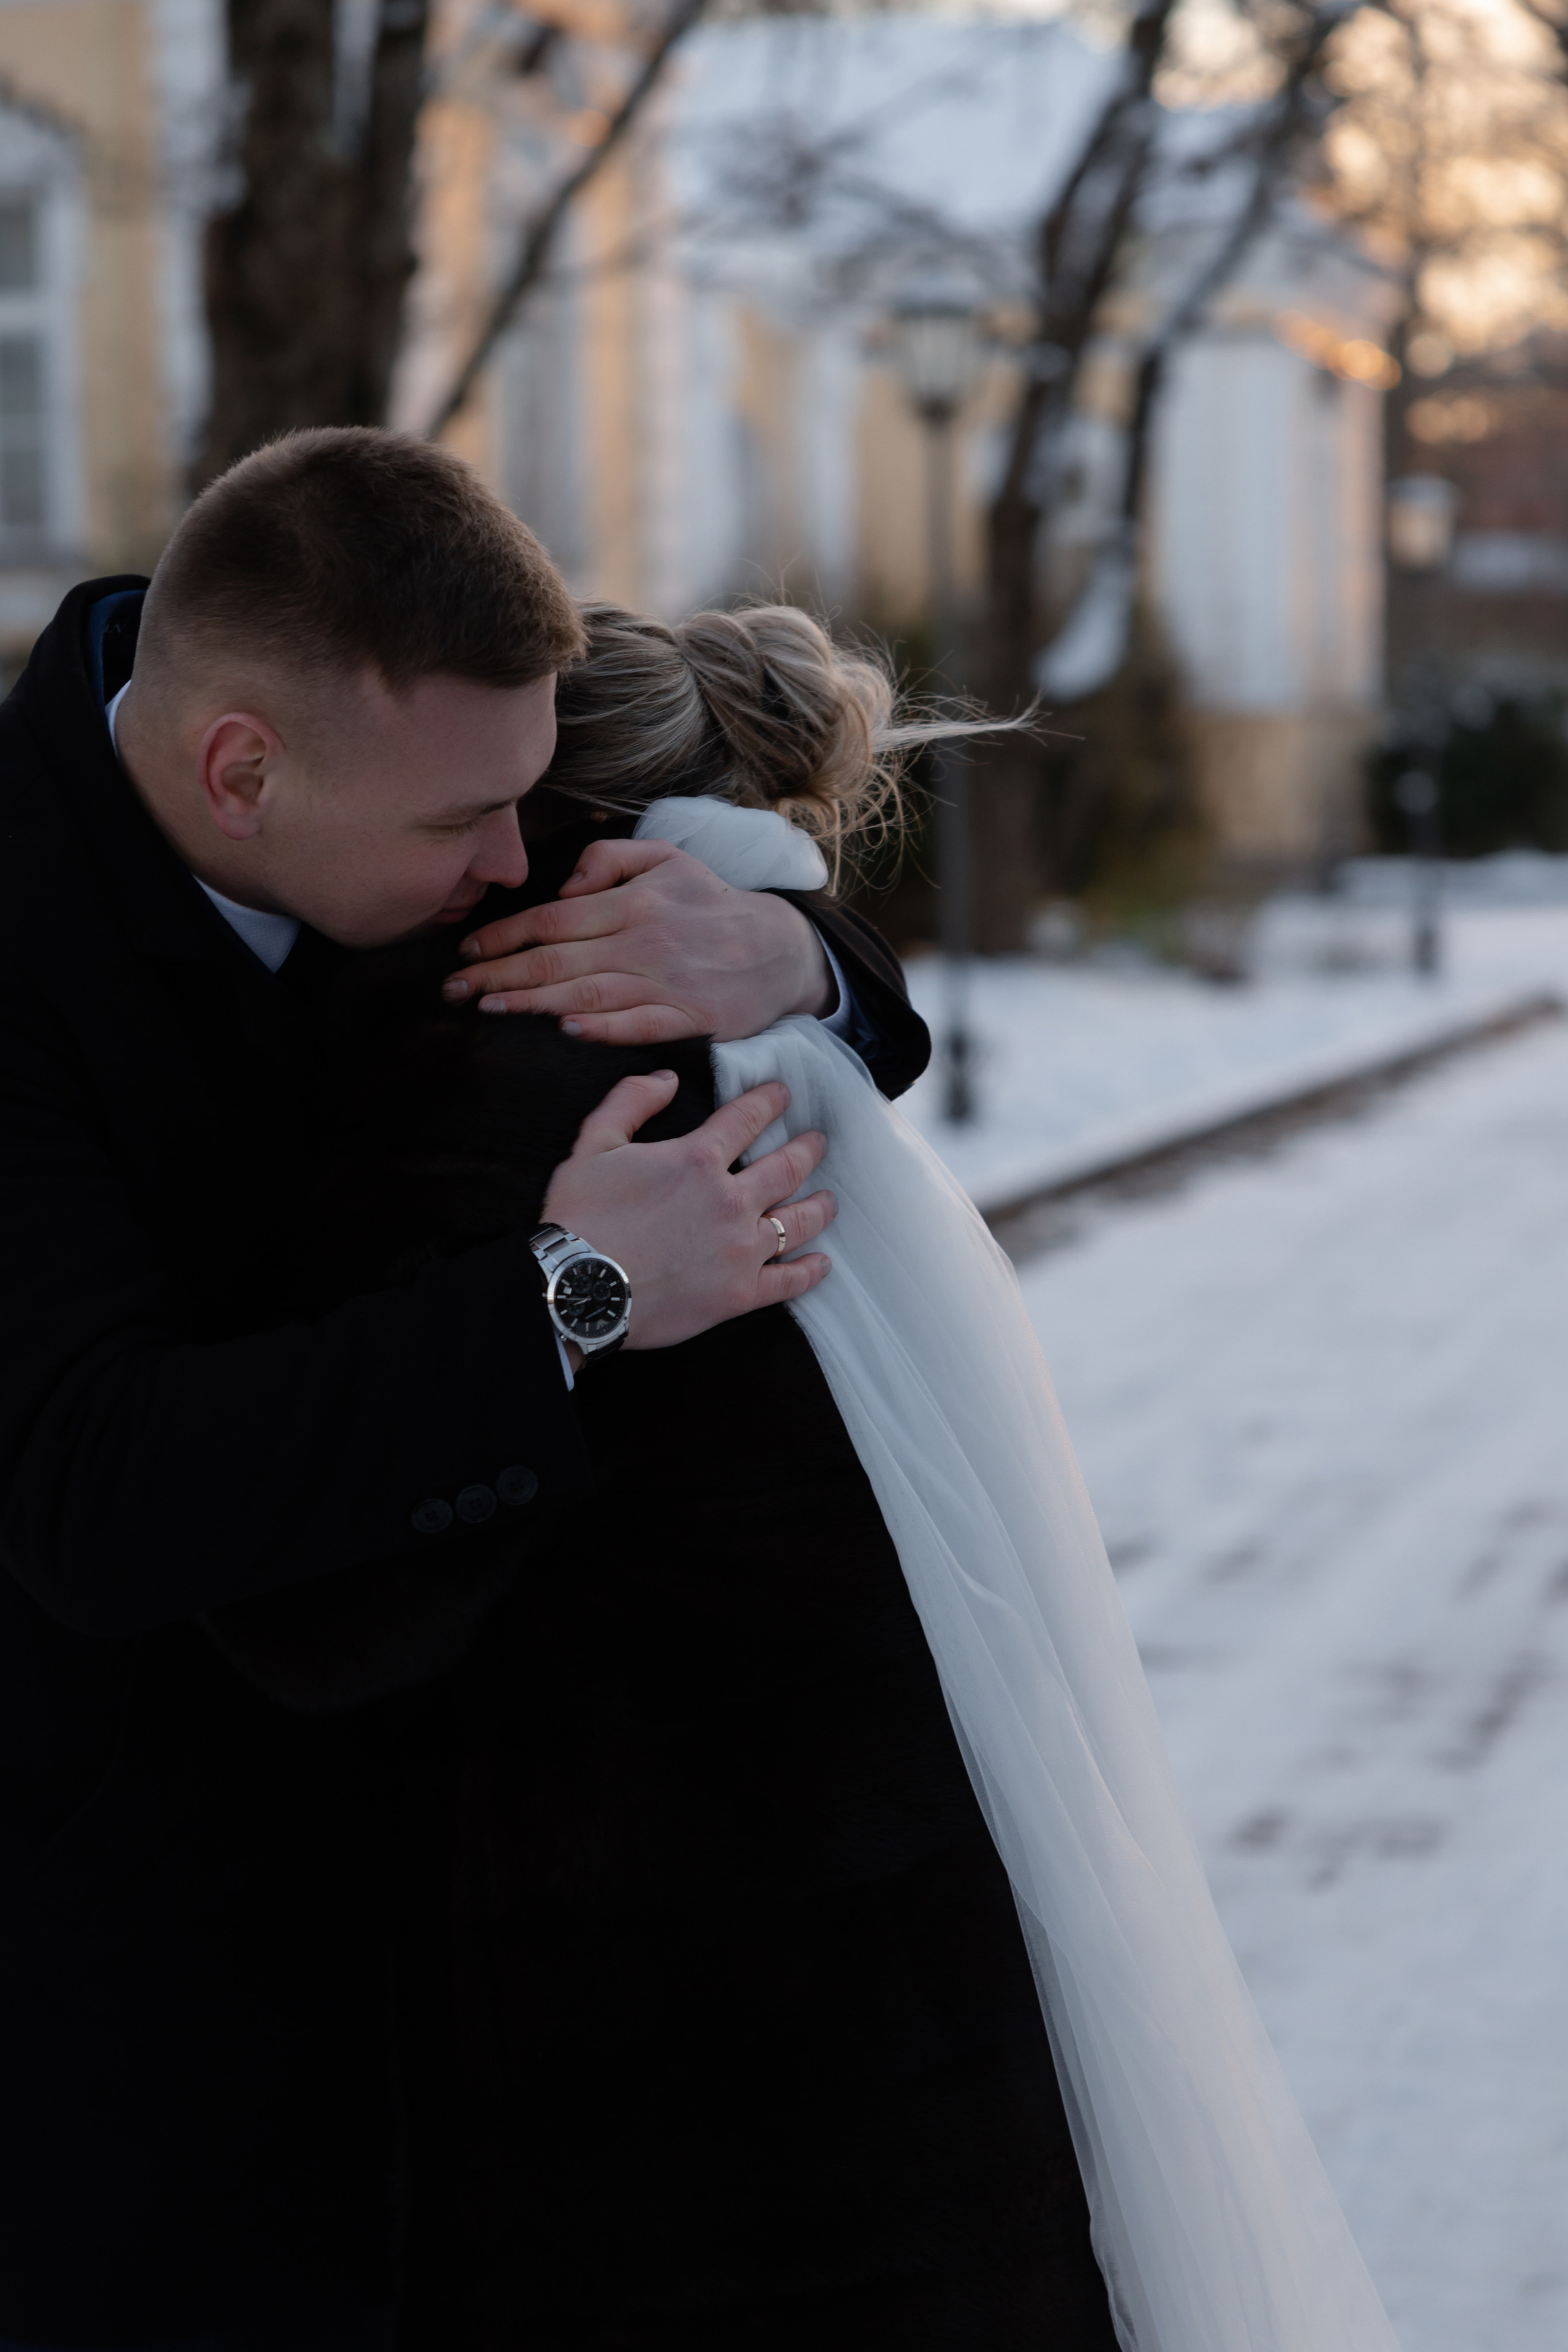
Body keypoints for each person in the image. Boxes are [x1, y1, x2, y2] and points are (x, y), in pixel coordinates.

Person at [257, 598, 1403, 2352]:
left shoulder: (493, 1069)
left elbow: (324, 1591)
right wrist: (814, 955)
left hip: (650, 2043)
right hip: (894, 1978)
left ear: (545, 819)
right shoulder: (744, 1027)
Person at [0, 431, 931, 2351]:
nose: (516, 864)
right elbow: (94, 1489)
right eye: (470, 827)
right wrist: (574, 1294)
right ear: (238, 774)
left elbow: (668, 877)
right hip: (121, 2004)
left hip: (456, 1990)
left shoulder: (389, 733)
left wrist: (789, 946)